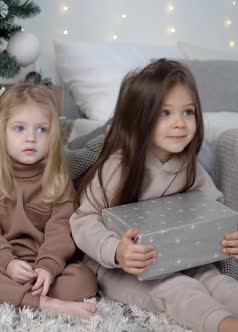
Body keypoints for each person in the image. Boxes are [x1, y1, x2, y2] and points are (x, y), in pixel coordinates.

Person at [70, 58, 238, 332]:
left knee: (217, 280)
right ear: (140, 119)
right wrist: (117, 251)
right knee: (178, 289)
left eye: (188, 112)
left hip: (179, 255)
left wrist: (228, 235)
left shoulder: (189, 166)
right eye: (165, 113)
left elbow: (213, 209)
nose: (179, 124)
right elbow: (83, 219)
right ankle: (225, 326)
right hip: (124, 267)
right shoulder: (119, 166)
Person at [0, 83, 97, 319]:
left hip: (45, 263)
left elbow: (61, 229)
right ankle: (46, 304)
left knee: (84, 280)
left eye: (41, 130)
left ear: (52, 134)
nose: (31, 138)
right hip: (1, 264)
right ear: (0, 132)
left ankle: (26, 295)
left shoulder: (57, 179)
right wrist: (8, 263)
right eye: (19, 128)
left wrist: (47, 267)